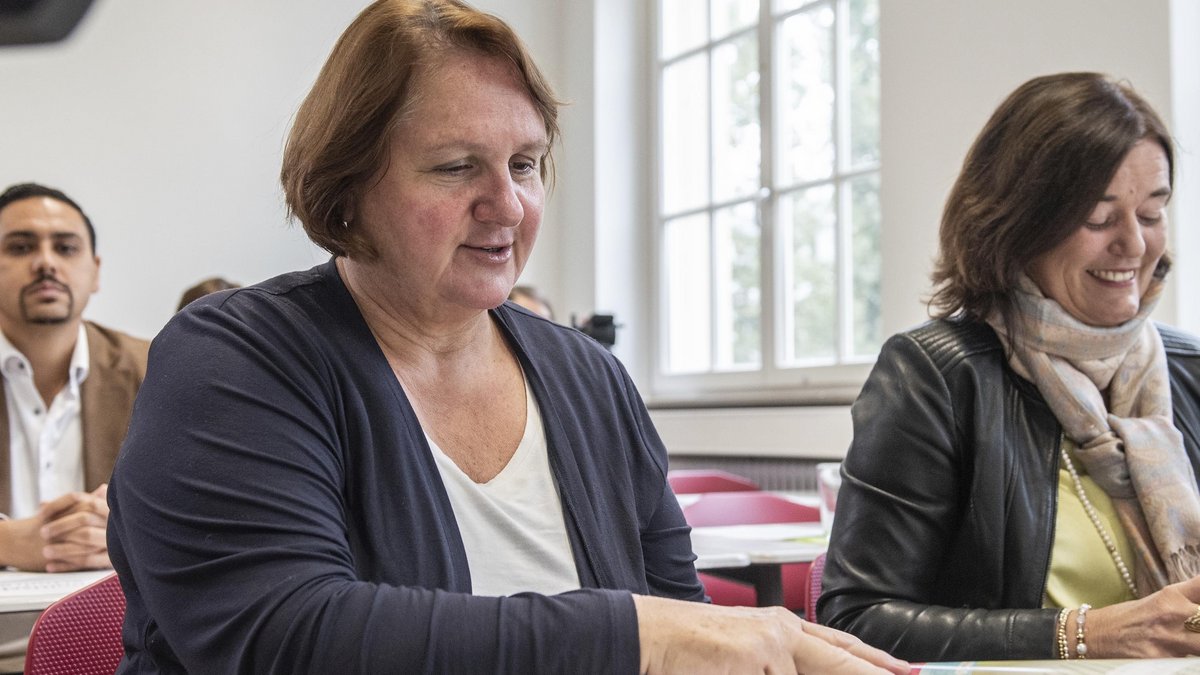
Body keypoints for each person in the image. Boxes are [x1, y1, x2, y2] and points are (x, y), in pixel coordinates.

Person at [105, 1, 908, 674]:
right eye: (457, 167)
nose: (509, 205)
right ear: (347, 189)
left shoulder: (590, 378)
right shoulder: (232, 359)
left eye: (524, 164)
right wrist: (637, 633)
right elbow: (285, 634)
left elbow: (683, 620)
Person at [819, 72, 1200, 662]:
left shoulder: (1189, 368)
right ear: (1019, 224)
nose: (1134, 245)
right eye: (1100, 219)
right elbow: (858, 620)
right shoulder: (937, 376)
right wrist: (1085, 634)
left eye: (1152, 215)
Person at [0, 182, 148, 574]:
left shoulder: (156, 368)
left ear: (94, 271)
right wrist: (6, 542)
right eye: (20, 247)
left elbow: (210, 509)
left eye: (65, 248)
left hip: (116, 626)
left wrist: (126, 535)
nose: (45, 263)